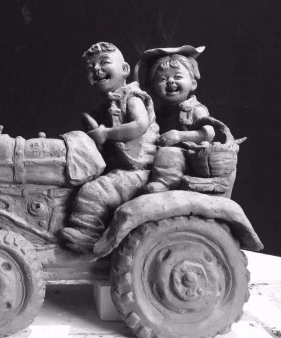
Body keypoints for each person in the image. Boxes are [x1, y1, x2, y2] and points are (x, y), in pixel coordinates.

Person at [61, 42, 159, 252]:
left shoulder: (131, 98)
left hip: (140, 172)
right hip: (119, 170)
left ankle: (88, 236)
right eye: (91, 67)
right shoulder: (105, 108)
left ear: (125, 69)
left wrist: (106, 133)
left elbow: (140, 125)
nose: (97, 69)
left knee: (94, 192)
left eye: (104, 62)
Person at [134, 45, 215, 193]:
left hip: (188, 160)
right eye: (163, 79)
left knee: (168, 153)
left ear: (193, 84)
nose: (171, 81)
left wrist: (178, 136)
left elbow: (208, 133)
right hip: (158, 159)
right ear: (152, 88)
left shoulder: (195, 109)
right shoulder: (157, 113)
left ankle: (164, 183)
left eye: (178, 77)